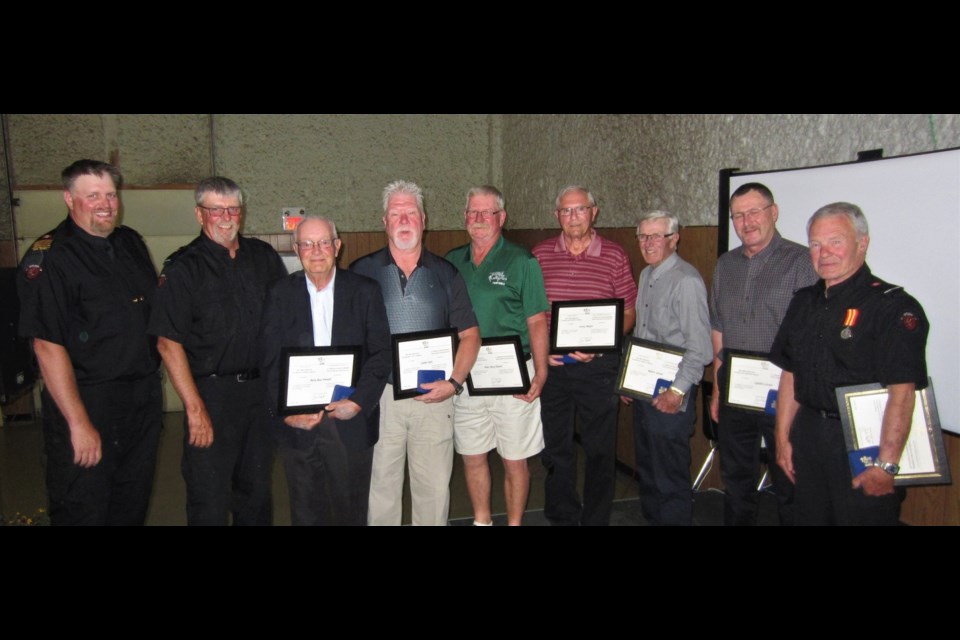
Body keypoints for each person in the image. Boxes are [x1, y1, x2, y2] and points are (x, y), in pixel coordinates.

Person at [17, 159, 161, 525]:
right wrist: (78, 423)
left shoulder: (129, 242)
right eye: (93, 195)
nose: (106, 204)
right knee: (85, 506)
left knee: (131, 502)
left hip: (140, 400)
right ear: (69, 198)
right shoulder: (51, 256)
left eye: (111, 194)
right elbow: (47, 345)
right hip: (86, 400)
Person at [770, 203, 928, 525]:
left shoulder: (892, 307)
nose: (824, 253)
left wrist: (886, 465)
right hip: (810, 432)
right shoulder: (804, 302)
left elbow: (903, 394)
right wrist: (782, 437)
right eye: (815, 244)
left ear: (862, 243)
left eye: (835, 242)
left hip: (863, 443)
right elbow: (790, 373)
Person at [148, 176, 286, 526]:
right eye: (216, 210)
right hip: (211, 396)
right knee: (208, 497)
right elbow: (167, 342)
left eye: (233, 209)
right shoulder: (183, 268)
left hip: (259, 395)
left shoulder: (263, 257)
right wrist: (194, 409)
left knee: (256, 494)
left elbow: (285, 322)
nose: (226, 217)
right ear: (199, 214)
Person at [351, 180, 480, 526]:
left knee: (434, 490)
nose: (404, 220)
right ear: (384, 221)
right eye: (396, 214)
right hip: (381, 398)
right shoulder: (360, 272)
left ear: (424, 219)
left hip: (434, 398)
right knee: (381, 489)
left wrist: (453, 383)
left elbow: (470, 335)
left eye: (411, 212)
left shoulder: (446, 273)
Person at [260, 216, 391, 525]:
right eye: (307, 243)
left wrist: (358, 401)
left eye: (323, 243)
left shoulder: (365, 291)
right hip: (299, 424)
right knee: (306, 514)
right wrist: (285, 412)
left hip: (349, 421)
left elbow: (381, 354)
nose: (316, 250)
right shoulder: (280, 293)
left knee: (350, 514)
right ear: (296, 249)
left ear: (337, 246)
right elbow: (269, 360)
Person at [709, 182, 818, 525]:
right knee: (736, 476)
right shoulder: (725, 264)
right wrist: (716, 387)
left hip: (784, 391)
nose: (747, 221)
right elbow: (718, 327)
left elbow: (810, 337)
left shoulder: (802, 262)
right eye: (738, 215)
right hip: (735, 387)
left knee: (789, 478)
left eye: (754, 211)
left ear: (774, 212)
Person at [532, 185, 637, 526]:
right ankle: (562, 517)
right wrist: (541, 351)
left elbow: (630, 313)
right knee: (556, 449)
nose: (573, 216)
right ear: (556, 216)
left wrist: (600, 343)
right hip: (555, 368)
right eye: (566, 210)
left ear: (595, 211)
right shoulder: (540, 254)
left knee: (600, 451)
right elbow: (529, 312)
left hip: (598, 368)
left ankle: (596, 520)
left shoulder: (615, 255)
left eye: (580, 209)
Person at [444, 186, 550, 526]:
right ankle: (482, 521)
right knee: (472, 455)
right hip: (467, 372)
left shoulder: (522, 261)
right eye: (472, 212)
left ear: (501, 218)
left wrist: (541, 372)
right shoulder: (451, 261)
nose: (478, 219)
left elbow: (536, 321)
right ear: (464, 218)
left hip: (513, 372)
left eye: (486, 212)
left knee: (514, 459)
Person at [621, 211, 711, 526]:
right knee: (649, 470)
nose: (648, 243)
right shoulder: (647, 275)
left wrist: (675, 392)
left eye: (656, 236)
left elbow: (700, 347)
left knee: (670, 477)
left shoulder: (686, 281)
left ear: (674, 239)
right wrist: (628, 382)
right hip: (646, 393)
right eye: (643, 236)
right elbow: (644, 337)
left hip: (672, 396)